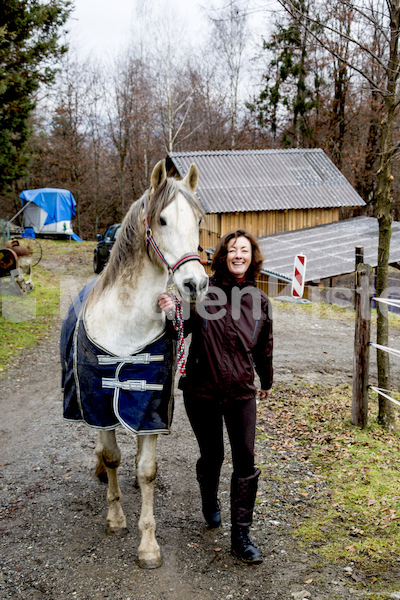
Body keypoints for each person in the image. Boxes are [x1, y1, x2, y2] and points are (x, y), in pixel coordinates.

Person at [158, 229, 273, 565]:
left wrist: (266, 379)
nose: (239, 255)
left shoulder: (260, 302)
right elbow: (178, 328)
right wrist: (169, 310)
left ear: (252, 257)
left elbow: (265, 347)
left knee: (245, 461)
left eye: (245, 250)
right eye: (233, 249)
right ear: (223, 254)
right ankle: (209, 500)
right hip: (201, 391)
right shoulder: (203, 292)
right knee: (212, 456)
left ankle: (241, 536)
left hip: (240, 392)